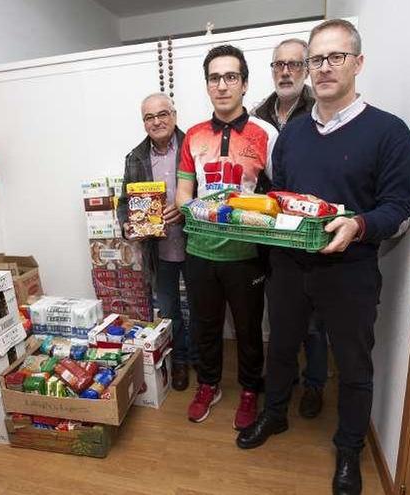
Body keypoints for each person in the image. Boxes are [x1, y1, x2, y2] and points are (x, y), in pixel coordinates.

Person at [236, 20, 410, 495]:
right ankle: (275, 415)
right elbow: (279, 196)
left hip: (350, 271)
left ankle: (349, 451)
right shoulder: (292, 136)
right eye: (317, 59)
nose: (325, 67)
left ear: (358, 63)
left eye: (337, 57)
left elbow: (399, 211)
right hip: (290, 269)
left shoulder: (389, 132)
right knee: (280, 348)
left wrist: (359, 225)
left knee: (354, 366)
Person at [175, 45, 278, 430]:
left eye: (230, 77)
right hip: (199, 251)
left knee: (249, 327)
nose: (222, 85)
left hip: (245, 253)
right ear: (207, 86)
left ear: (245, 84)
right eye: (214, 78)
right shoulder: (194, 136)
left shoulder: (265, 134)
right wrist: (195, 210)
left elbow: (280, 194)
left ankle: (251, 389)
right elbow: (184, 193)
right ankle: (209, 384)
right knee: (205, 325)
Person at [251, 37, 328, 419]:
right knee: (280, 316)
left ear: (308, 68)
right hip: (270, 234)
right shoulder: (257, 113)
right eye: (279, 64)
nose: (286, 71)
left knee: (314, 322)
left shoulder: (321, 109)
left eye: (294, 64)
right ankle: (283, 381)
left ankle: (314, 383)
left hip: (310, 235)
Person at [117, 93, 196, 391]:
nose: (157, 121)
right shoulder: (135, 157)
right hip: (158, 250)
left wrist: (186, 207)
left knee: (202, 307)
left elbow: (212, 195)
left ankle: (203, 360)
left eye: (162, 114)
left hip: (195, 245)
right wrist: (127, 223)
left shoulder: (194, 146)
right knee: (169, 311)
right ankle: (181, 362)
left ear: (174, 115)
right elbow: (124, 203)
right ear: (144, 122)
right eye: (149, 117)